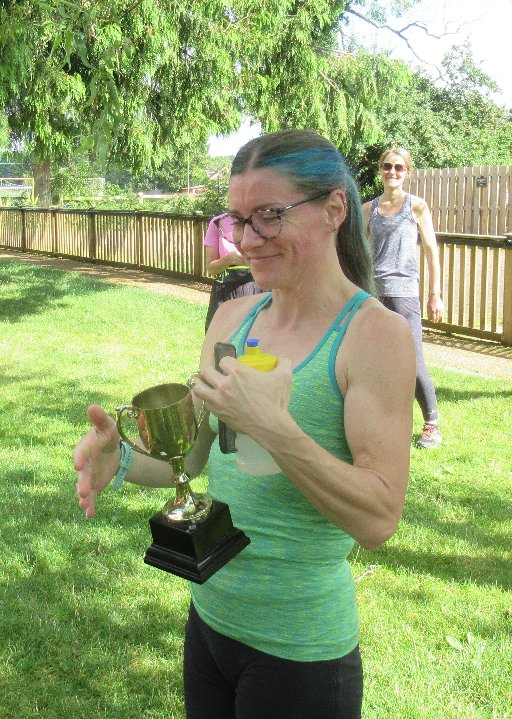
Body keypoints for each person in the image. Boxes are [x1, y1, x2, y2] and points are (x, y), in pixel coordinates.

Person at [74, 129, 416, 719]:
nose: (247, 239)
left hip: (301, 651)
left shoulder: (374, 337)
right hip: (210, 620)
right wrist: (121, 458)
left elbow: (378, 518)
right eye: (237, 219)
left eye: (269, 216)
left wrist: (274, 427)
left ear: (334, 209)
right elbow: (195, 457)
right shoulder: (232, 318)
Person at [362, 147, 444, 449]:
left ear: (408, 172)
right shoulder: (368, 208)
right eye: (387, 166)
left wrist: (435, 294)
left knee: (412, 360)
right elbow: (360, 252)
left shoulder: (416, 206)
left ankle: (432, 424)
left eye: (398, 167)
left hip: (404, 293)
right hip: (374, 295)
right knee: (376, 360)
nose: (392, 172)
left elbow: (432, 251)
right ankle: (383, 420)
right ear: (380, 170)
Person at [203, 212, 263, 331]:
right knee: (221, 336)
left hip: (257, 290)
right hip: (225, 291)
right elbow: (211, 269)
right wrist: (229, 259)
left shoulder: (262, 218)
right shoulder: (217, 223)